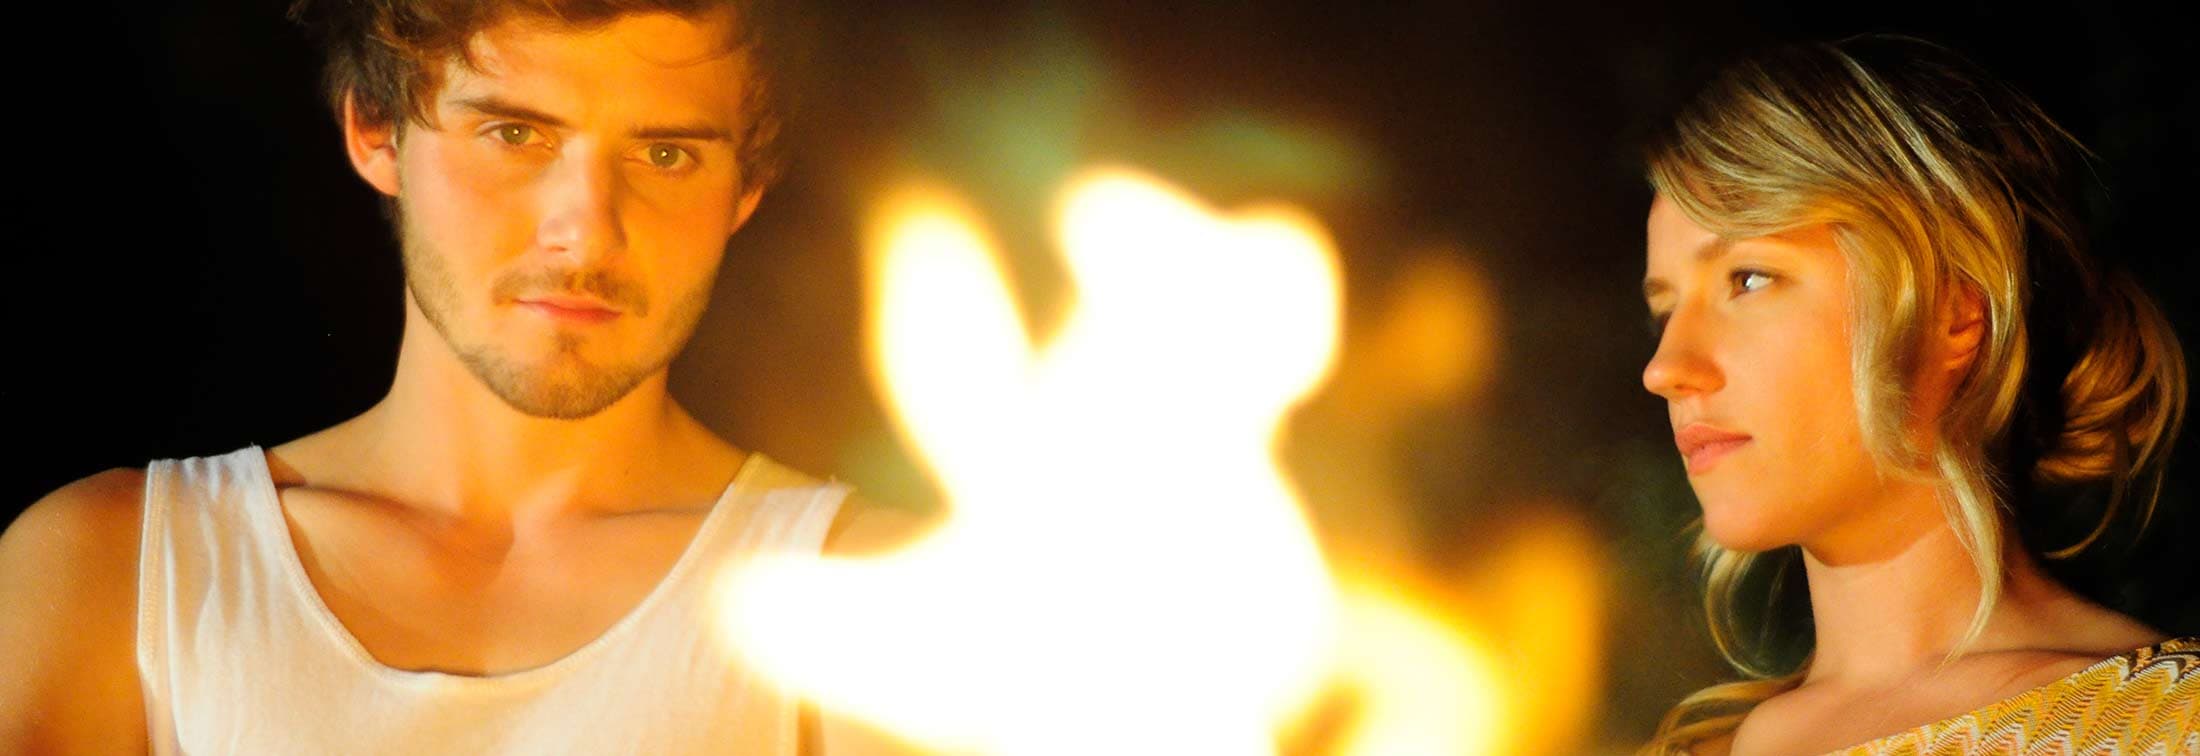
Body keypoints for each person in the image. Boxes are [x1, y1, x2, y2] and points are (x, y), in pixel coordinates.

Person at [0, 1, 929, 753]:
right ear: (376, 130)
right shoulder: (115, 574)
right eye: (516, 133)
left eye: (665, 154)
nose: (586, 232)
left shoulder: (880, 604)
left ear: (747, 186)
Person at [1635, 36, 2196, 754]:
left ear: (1950, 313)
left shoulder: (2165, 725)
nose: (1665, 368)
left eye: (1748, 279)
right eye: (1665, 309)